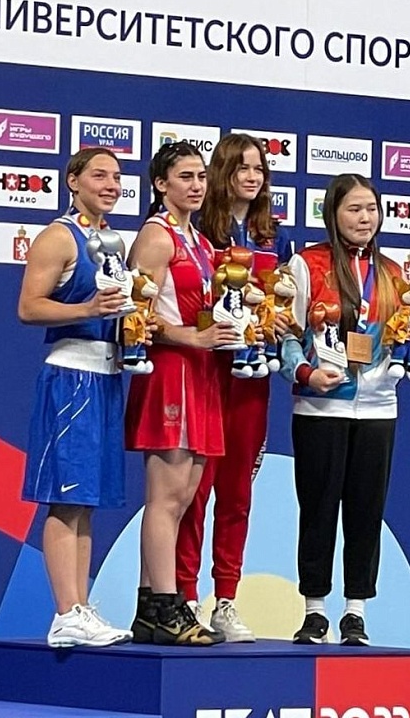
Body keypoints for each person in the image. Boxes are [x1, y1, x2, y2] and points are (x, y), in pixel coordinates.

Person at [280, 174, 410, 646]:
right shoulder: (307, 265)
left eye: (371, 209)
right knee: (318, 510)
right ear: (333, 213)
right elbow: (286, 333)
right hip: (320, 407)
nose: (365, 218)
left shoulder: (394, 274)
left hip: (378, 407)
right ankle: (314, 610)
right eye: (354, 209)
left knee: (367, 512)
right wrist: (304, 373)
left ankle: (356, 612)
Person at [176, 133, 294, 641]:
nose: (252, 177)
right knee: (194, 490)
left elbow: (285, 304)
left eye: (259, 169)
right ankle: (183, 597)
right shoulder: (198, 230)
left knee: (237, 493)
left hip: (253, 379)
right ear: (222, 172)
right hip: (207, 372)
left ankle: (226, 599)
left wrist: (280, 320)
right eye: (242, 167)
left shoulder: (275, 237)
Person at [18, 147, 135, 648]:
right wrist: (87, 308)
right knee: (66, 500)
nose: (111, 185)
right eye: (99, 175)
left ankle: (80, 607)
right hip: (71, 377)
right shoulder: (58, 237)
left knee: (86, 503)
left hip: (107, 376)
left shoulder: (112, 241)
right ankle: (64, 611)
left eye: (117, 177)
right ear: (73, 181)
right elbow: (28, 307)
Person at [125, 141, 238, 646]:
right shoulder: (157, 236)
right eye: (185, 177)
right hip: (171, 372)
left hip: (203, 372)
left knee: (184, 497)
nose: (196, 185)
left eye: (201, 177)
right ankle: (169, 607)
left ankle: (150, 607)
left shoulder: (200, 240)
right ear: (160, 184)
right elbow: (136, 315)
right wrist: (188, 336)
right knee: (165, 498)